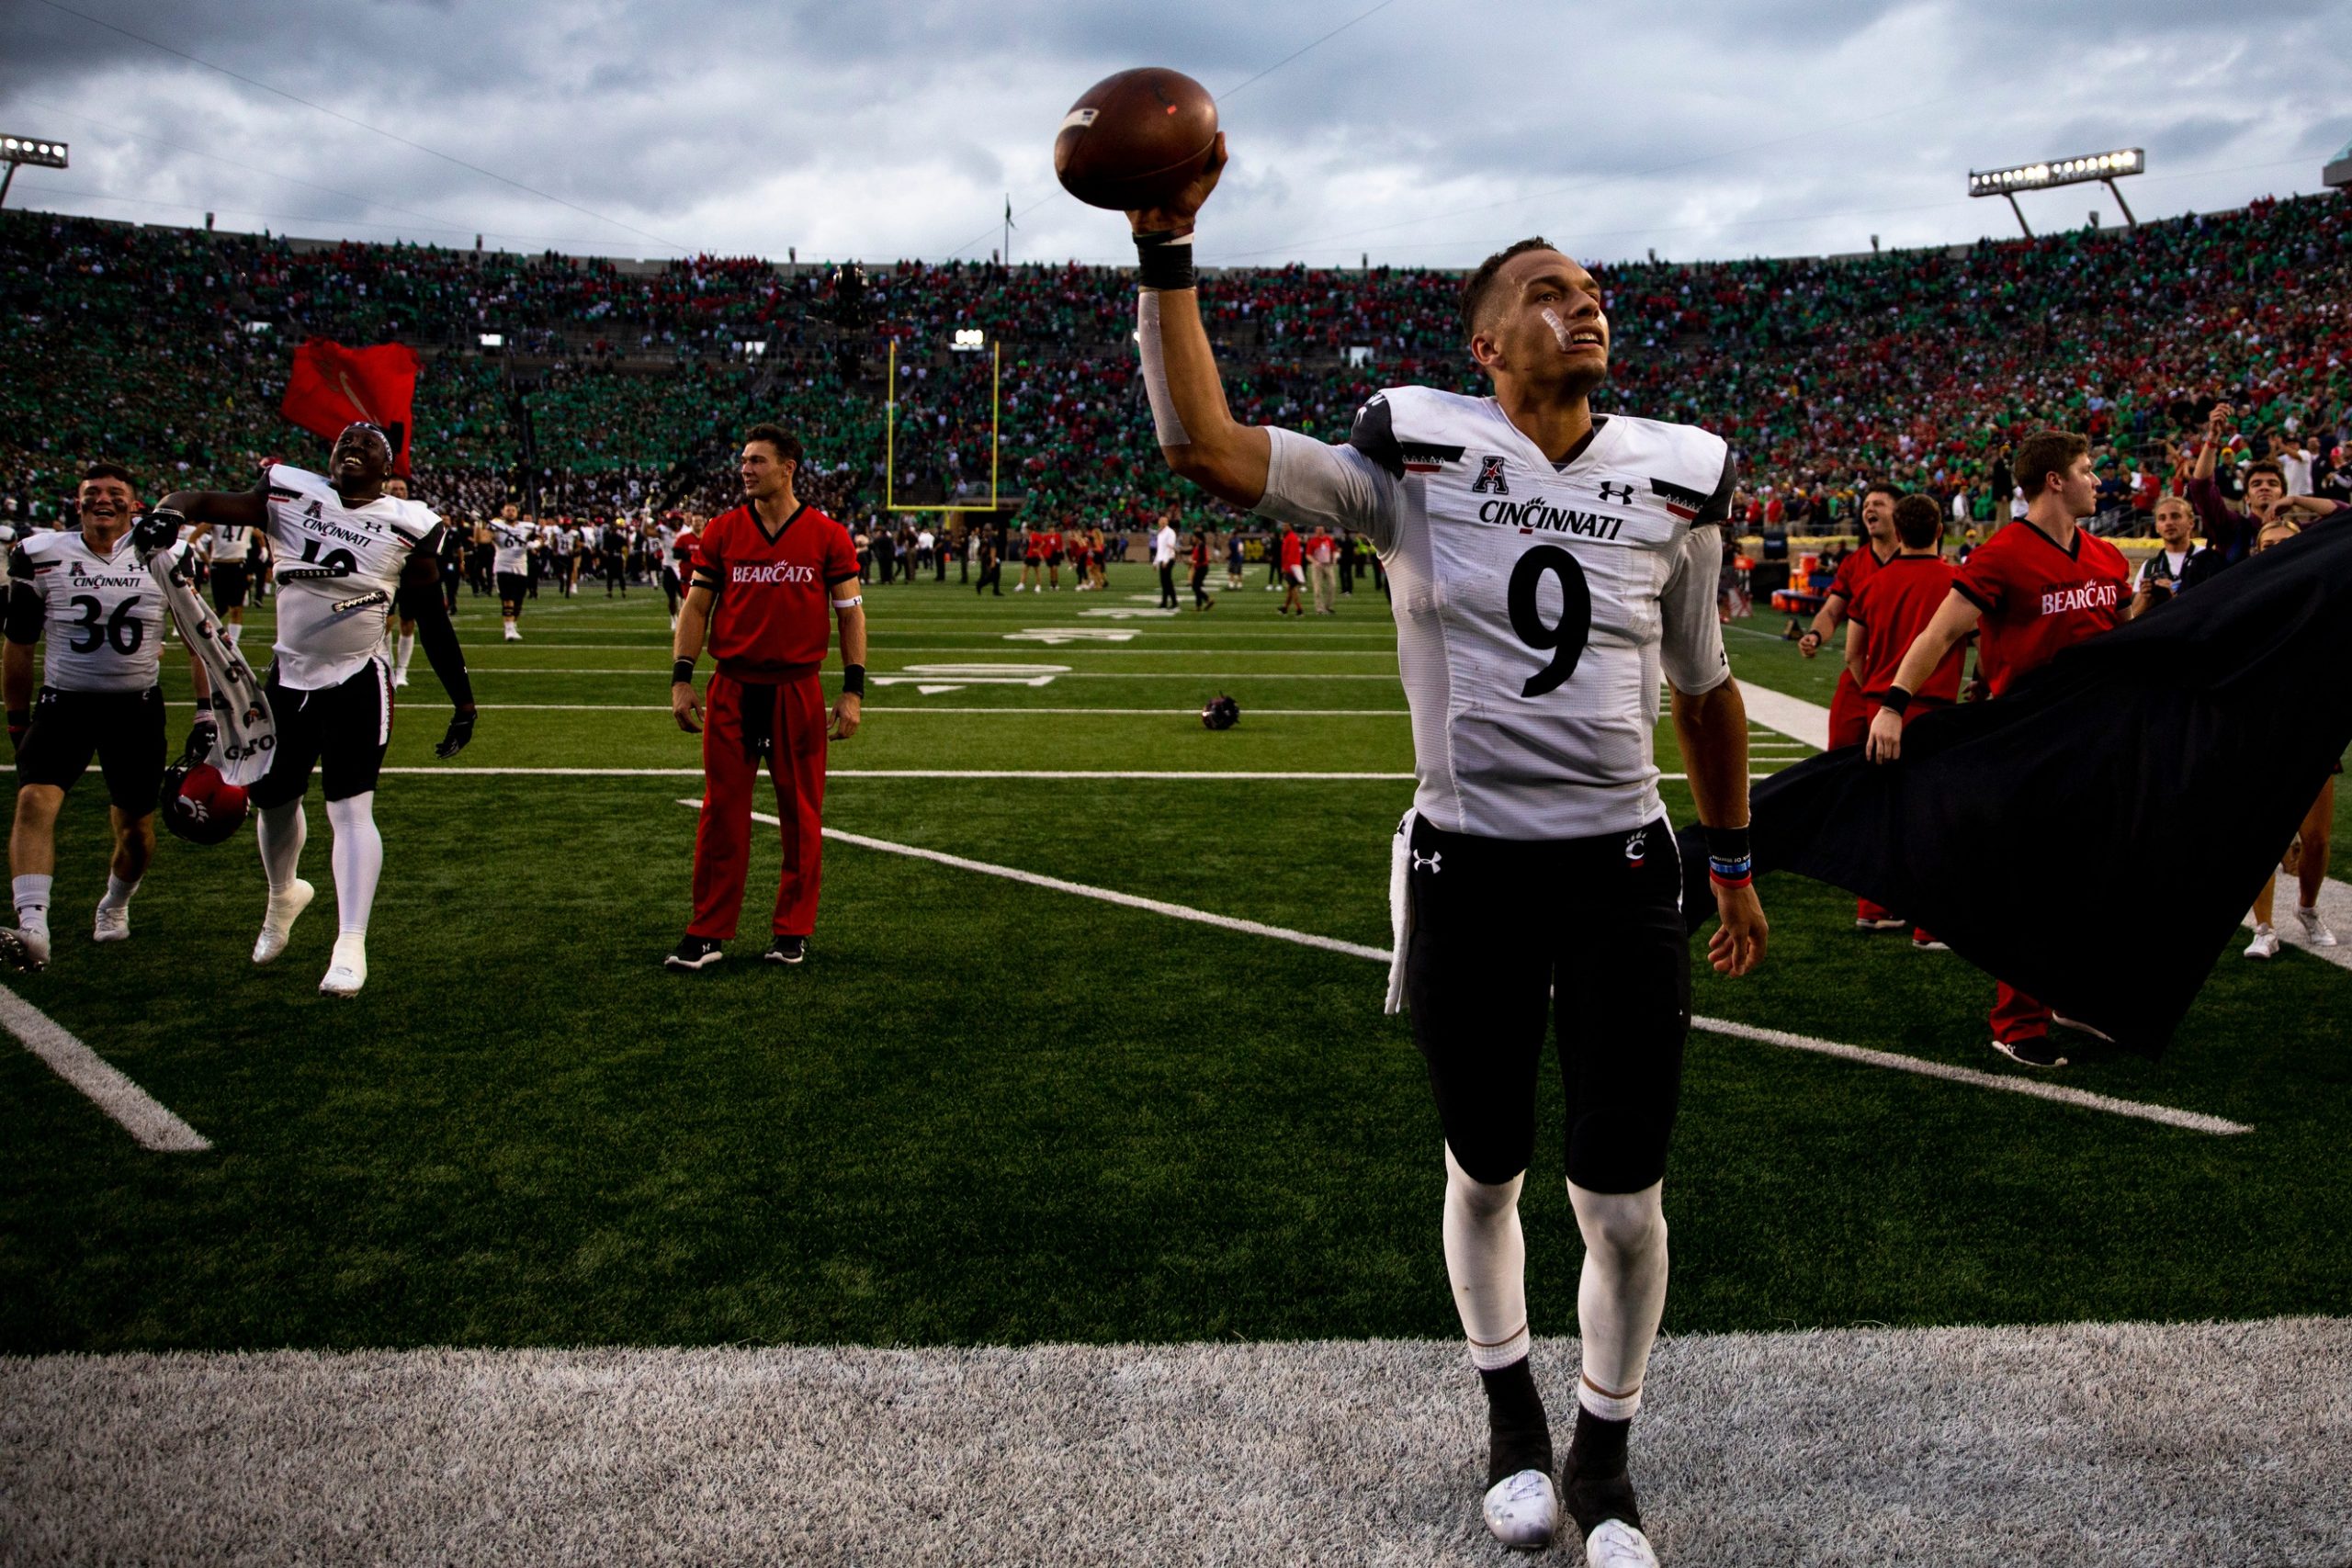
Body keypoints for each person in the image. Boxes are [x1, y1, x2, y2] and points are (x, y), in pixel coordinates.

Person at [1125, 140, 1765, 1562]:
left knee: (1623, 1190)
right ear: (1486, 343)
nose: (1584, 307)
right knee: (1486, 1170)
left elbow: (1707, 680)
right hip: (1467, 872)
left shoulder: (1678, 473)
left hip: (1620, 871)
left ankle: (1604, 1452)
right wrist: (1166, 258)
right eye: (1547, 292)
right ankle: (1511, 1421)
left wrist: (1729, 855)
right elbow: (1207, 451)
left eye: (1592, 289)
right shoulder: (1413, 450)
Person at [149, 421, 478, 995]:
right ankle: (282, 897)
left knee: (350, 808)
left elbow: (430, 616)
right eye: (344, 443)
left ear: (389, 467)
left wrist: (463, 699)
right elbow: (199, 499)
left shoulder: (412, 525)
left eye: (367, 446)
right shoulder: (290, 492)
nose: (352, 449)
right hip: (289, 674)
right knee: (273, 800)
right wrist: (170, 511)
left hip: (358, 677)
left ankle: (350, 943)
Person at [1865, 430, 2129, 1066]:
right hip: (2028, 743)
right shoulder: (2003, 554)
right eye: (2088, 470)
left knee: (2088, 877)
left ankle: (2070, 995)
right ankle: (2017, 1020)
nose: (2099, 481)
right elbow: (1941, 631)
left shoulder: (2108, 556)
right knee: (2031, 879)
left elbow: (2121, 643)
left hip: (2092, 739)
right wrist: (1895, 703)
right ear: (2055, 481)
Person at [667, 423, 865, 970]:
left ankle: (792, 931)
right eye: (744, 461)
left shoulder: (828, 534)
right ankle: (707, 931)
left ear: (788, 468)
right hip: (731, 685)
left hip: (796, 689)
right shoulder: (724, 531)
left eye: (757, 461)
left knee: (801, 816)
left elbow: (850, 615)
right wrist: (682, 677)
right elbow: (697, 610)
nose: (746, 469)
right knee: (721, 813)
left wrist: (853, 691)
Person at [0, 462, 211, 969]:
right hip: (64, 703)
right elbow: (20, 644)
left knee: (136, 830)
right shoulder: (39, 554)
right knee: (33, 802)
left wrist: (206, 711)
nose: (103, 499)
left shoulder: (169, 554)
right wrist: (16, 718)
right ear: (78, 502)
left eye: (115, 493)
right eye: (92, 492)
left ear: (133, 504)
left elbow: (198, 640)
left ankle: (115, 904)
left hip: (135, 710)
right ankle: (33, 928)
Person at [1841, 494, 1963, 951]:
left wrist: (1873, 688)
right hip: (1931, 708)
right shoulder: (1956, 580)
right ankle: (1928, 926)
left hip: (1879, 709)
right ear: (1939, 531)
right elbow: (1978, 642)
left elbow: (1854, 653)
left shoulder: (1873, 583)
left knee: (1883, 813)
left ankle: (1872, 909)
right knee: (1933, 819)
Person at [1798, 482, 1901, 931]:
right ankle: (1841, 853)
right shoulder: (1856, 562)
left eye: (1879, 504)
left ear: (1901, 512)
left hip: (1898, 687)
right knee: (1840, 767)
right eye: (1866, 506)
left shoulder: (1917, 557)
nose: (1869, 510)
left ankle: (1882, 864)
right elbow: (1833, 609)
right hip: (1859, 685)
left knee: (1895, 780)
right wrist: (1816, 634)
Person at [2126, 494, 2222, 618]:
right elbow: (2133, 619)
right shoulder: (2150, 567)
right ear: (2157, 527)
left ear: (2191, 522)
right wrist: (2145, 597)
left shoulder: (2208, 559)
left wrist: (2174, 597)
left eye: (2175, 516)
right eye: (2162, 518)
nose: (2169, 523)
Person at [480, 502, 536, 642]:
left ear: (517, 512)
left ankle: (513, 624)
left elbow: (540, 538)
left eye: (513, 510)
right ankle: (509, 628)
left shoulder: (527, 526)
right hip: (503, 566)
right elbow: (482, 539)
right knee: (508, 598)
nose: (510, 512)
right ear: (503, 512)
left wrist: (535, 544)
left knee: (518, 601)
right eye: (507, 510)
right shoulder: (496, 525)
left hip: (521, 567)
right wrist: (478, 524)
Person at [1306, 525, 1339, 614]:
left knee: (1332, 585)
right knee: (1317, 588)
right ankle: (1319, 608)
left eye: (1321, 529)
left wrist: (1334, 558)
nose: (1320, 531)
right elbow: (1308, 555)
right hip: (1317, 566)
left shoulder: (1328, 540)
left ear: (1324, 530)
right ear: (1316, 531)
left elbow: (1334, 550)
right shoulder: (1312, 541)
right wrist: (1314, 561)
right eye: (1318, 529)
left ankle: (1328, 606)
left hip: (1328, 565)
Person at [1276, 519, 1306, 616]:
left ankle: (1299, 609)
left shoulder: (1291, 538)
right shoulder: (1289, 537)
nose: (1283, 527)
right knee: (1291, 588)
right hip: (1292, 566)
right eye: (1283, 526)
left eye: (1285, 526)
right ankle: (1285, 608)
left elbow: (1291, 555)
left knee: (1292, 589)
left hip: (1291, 567)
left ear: (1290, 527)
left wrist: (1286, 568)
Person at [1153, 513, 1180, 609]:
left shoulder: (1170, 532)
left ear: (1167, 522)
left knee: (1168, 582)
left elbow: (1169, 547)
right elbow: (1160, 549)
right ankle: (1164, 602)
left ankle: (1174, 602)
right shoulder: (1160, 533)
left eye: (1164, 521)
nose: (1162, 523)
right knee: (1164, 582)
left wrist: (1165, 560)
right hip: (1162, 560)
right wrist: (1155, 562)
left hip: (1169, 559)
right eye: (1161, 521)